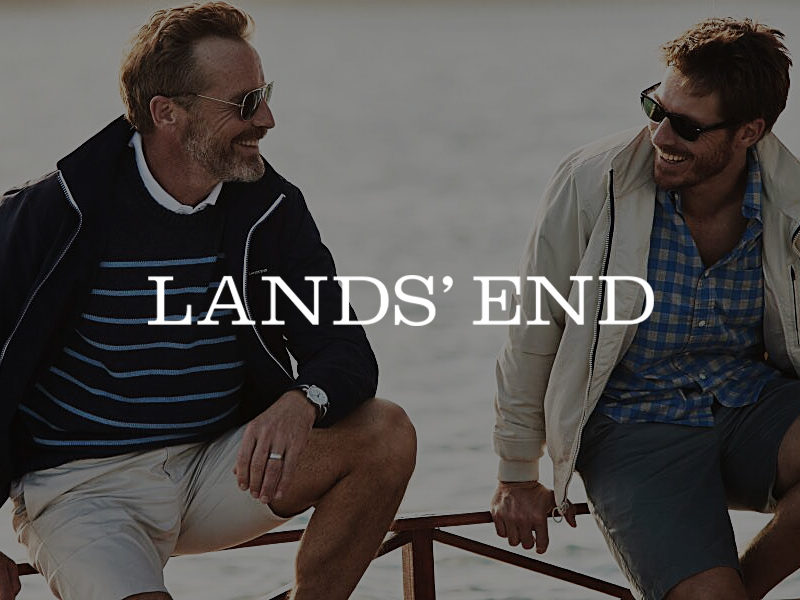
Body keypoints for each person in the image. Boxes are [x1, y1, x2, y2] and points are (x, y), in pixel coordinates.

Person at [0, 3, 417, 599]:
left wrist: (303, 400)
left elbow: (344, 347)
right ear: (166, 113)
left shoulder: (271, 208)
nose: (267, 119)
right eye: (244, 103)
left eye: (264, 95)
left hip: (219, 466)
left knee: (384, 433)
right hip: (83, 489)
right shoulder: (53, 214)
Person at [490, 17, 800, 600]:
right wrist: (516, 472)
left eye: (687, 126)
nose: (660, 135)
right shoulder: (592, 181)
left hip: (747, 399)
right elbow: (535, 325)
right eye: (656, 108)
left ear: (749, 132)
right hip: (631, 420)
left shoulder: (791, 201)